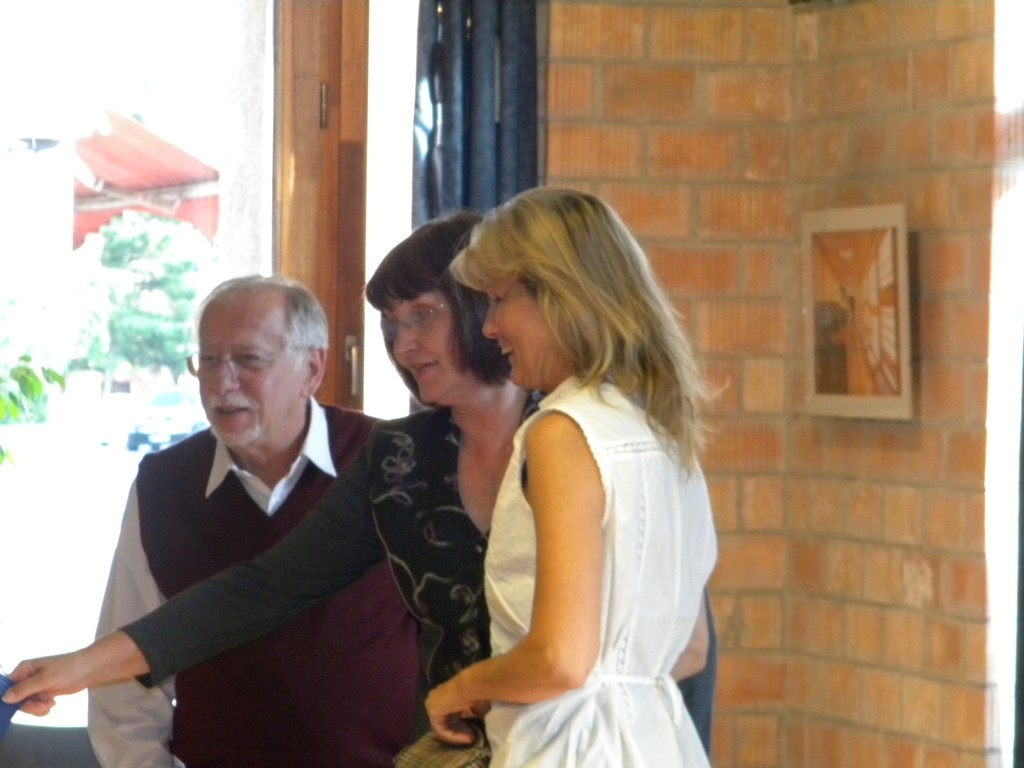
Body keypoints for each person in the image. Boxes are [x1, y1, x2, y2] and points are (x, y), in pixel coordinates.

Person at [3, 209, 718, 756]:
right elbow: (262, 590)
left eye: (424, 316)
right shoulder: (399, 458)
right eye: (391, 325)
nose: (404, 345)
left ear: (485, 307)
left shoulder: (579, 435)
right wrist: (79, 667)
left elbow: (681, 650)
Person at [424, 186, 718, 767]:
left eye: (500, 300)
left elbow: (559, 659)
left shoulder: (563, 431)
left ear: (560, 296)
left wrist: (460, 688)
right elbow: (690, 650)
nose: (490, 327)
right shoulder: (661, 425)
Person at [87, 275, 420, 768]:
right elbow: (124, 688)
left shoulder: (393, 462)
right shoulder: (165, 485)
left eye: (249, 359)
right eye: (209, 360)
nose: (223, 383)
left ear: (312, 368)